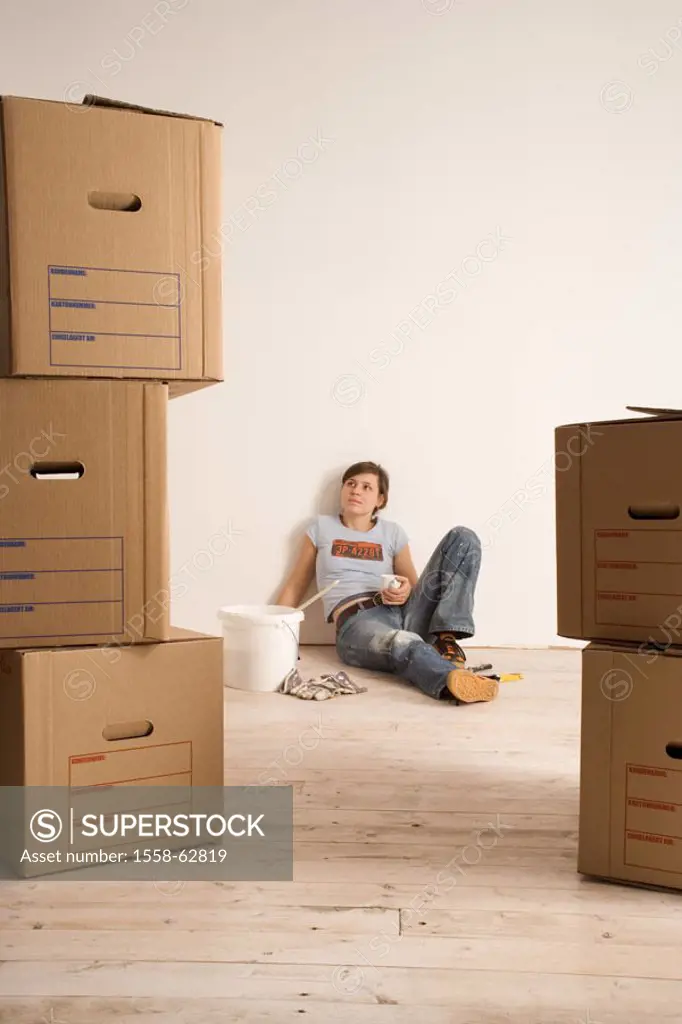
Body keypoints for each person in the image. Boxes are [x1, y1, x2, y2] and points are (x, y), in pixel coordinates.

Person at [275, 460, 498, 704]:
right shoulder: (321, 528)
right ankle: (452, 680)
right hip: (358, 622)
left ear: (380, 499)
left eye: (366, 487)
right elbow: (295, 585)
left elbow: (414, 585)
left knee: (463, 538)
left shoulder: (392, 532)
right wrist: (275, 636)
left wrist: (403, 592)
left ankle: (447, 638)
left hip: (401, 611)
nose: (356, 490)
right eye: (350, 484)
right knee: (404, 642)